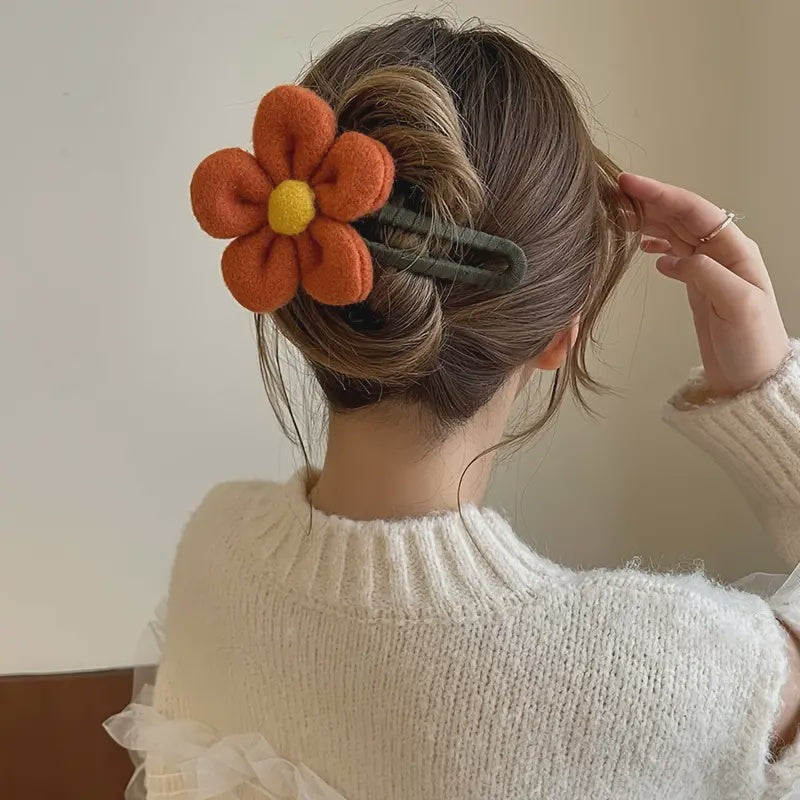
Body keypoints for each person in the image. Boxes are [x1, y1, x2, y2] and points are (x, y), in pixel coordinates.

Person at [105, 15, 800, 800]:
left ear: (298, 290)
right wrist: (768, 395)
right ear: (558, 334)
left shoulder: (216, 550)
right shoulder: (669, 670)